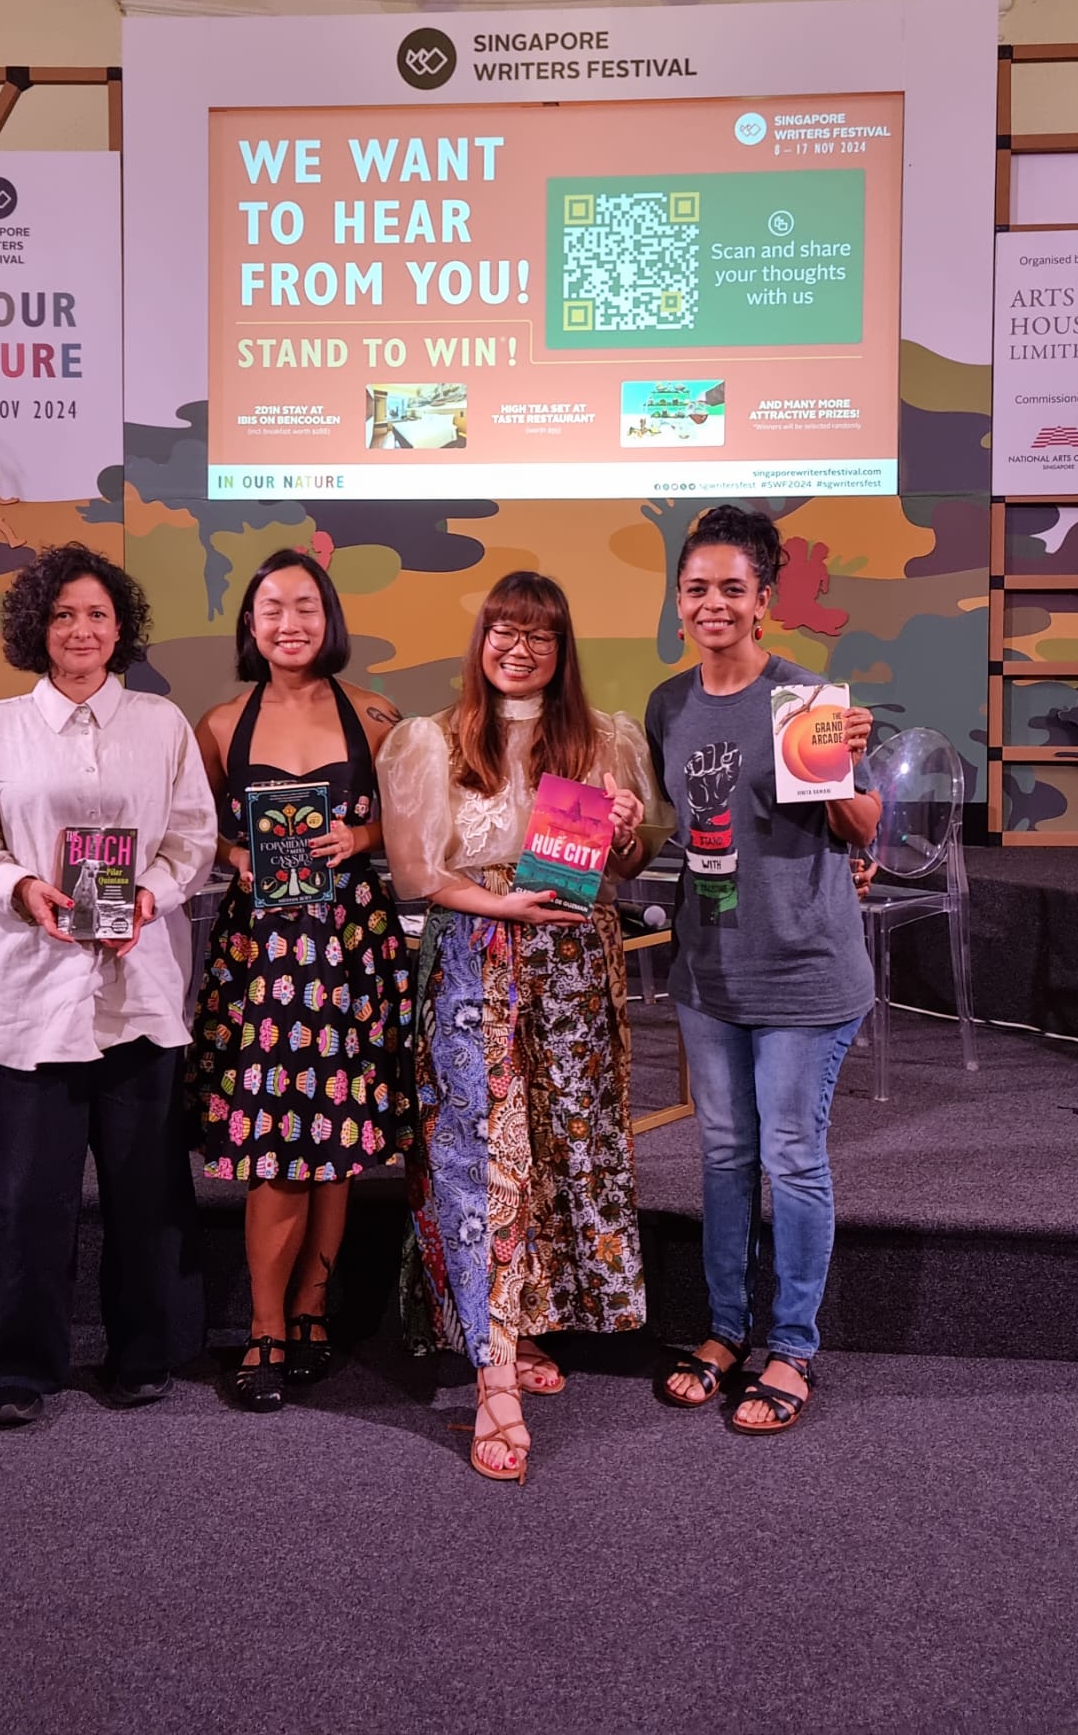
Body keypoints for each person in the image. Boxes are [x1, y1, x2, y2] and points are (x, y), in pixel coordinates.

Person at [378, 571, 673, 1484]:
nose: (518, 648)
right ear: (481, 642)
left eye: (538, 635)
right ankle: (493, 1373)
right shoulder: (430, 741)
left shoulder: (606, 738)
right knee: (482, 1158)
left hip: (576, 968)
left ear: (562, 647)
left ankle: (524, 1315)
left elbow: (632, 857)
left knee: (555, 1149)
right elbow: (418, 877)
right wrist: (504, 909)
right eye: (503, 631)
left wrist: (622, 829)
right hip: (477, 961)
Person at [0, 543, 215, 1426]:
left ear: (120, 625)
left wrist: (153, 898)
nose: (82, 630)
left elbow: (193, 841)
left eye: (97, 614)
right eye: (63, 616)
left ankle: (143, 1352)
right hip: (31, 994)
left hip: (138, 991)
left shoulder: (163, 725)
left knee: (146, 1192)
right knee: (26, 1197)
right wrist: (20, 887)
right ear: (36, 630)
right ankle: (16, 1367)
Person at [644, 503, 878, 1435]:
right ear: (680, 602)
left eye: (731, 589)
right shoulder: (668, 703)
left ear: (763, 602)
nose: (712, 603)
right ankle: (725, 1331)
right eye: (696, 588)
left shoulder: (806, 698)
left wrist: (852, 771)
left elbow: (866, 838)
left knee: (791, 1156)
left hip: (805, 973)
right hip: (708, 971)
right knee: (724, 1154)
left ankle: (793, 1347)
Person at [186, 548, 412, 1412]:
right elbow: (188, 824)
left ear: (331, 618)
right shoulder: (218, 724)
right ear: (250, 624)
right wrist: (235, 853)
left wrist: (359, 839)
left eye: (307, 607)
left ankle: (314, 1311)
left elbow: (415, 822)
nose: (291, 623)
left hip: (352, 950)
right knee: (276, 1145)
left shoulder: (377, 717)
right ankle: (266, 1325)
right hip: (266, 958)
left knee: (340, 1143)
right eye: (273, 607)